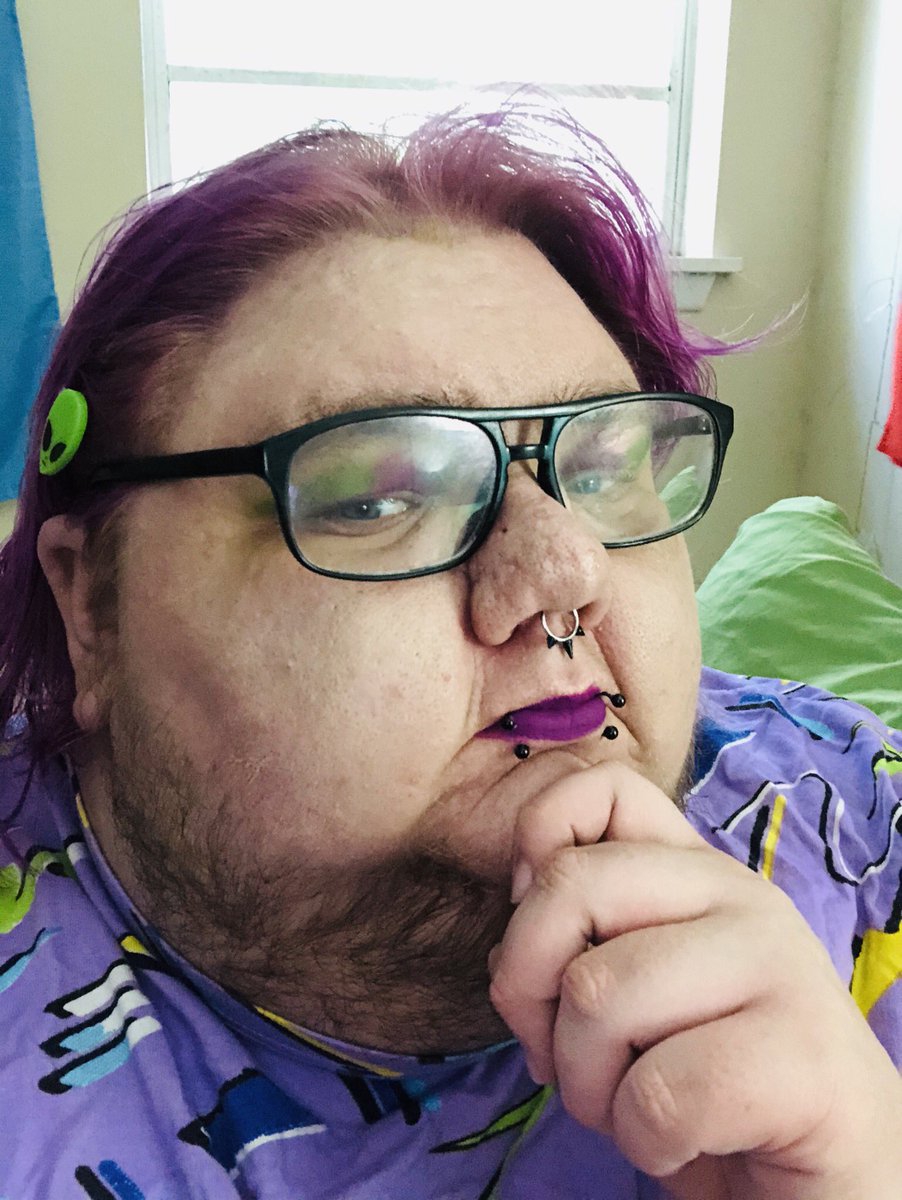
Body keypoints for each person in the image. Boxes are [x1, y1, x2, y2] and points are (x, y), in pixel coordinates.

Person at [1, 104, 901, 1200]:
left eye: (604, 465)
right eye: (375, 496)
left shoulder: (859, 826)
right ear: (92, 606)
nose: (565, 571)